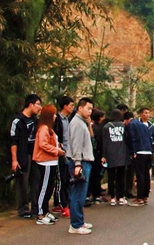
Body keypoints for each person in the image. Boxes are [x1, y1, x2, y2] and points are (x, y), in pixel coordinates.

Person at [10, 94, 42, 219]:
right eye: (38, 104)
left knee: (36, 180)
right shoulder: (18, 121)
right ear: (31, 104)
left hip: (35, 155)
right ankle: (23, 209)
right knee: (23, 182)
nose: (39, 107)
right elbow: (13, 141)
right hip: (23, 155)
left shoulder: (35, 120)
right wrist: (14, 160)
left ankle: (35, 207)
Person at [66, 97, 95, 235]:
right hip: (80, 162)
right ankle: (75, 225)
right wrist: (77, 164)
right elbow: (76, 145)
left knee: (80, 194)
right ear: (80, 107)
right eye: (88, 108)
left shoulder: (82, 122)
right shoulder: (77, 123)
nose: (90, 111)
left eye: (91, 109)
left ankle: (79, 221)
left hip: (84, 161)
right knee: (78, 194)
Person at [33, 105, 65, 225]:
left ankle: (46, 211)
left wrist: (58, 147)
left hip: (51, 161)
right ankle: (40, 214)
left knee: (49, 188)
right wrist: (56, 151)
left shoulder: (49, 128)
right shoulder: (44, 128)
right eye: (53, 114)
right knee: (44, 188)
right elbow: (43, 144)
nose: (55, 116)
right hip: (45, 161)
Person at [126, 107, 154, 206]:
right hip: (148, 151)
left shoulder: (132, 125)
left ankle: (140, 198)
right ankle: (145, 196)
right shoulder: (144, 126)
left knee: (140, 175)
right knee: (146, 174)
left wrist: (133, 151)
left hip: (139, 151)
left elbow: (132, 138)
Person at [102, 109, 128, 205]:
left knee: (111, 177)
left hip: (110, 154)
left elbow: (104, 143)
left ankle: (112, 197)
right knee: (121, 176)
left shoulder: (106, 127)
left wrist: (104, 156)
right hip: (122, 154)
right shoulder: (124, 125)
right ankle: (121, 197)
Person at [53, 95, 73, 217]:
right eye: (71, 105)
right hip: (60, 153)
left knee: (67, 180)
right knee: (61, 180)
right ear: (65, 106)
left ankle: (64, 202)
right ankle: (61, 204)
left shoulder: (69, 120)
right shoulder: (57, 120)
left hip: (68, 153)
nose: (72, 108)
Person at [87, 109, 106, 204]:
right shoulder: (100, 128)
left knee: (93, 175)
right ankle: (96, 194)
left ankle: (91, 194)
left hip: (92, 153)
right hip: (97, 154)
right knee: (97, 175)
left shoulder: (92, 127)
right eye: (102, 116)